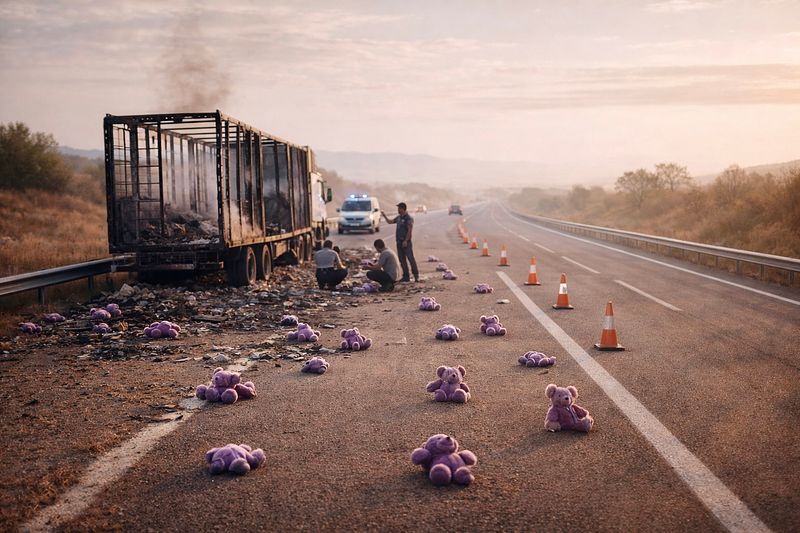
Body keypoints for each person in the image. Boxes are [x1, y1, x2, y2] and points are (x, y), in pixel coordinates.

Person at [381, 202, 419, 282]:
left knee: (410, 259)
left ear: (403, 209)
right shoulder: (398, 218)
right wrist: (384, 216)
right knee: (402, 260)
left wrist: (406, 240)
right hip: (399, 242)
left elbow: (409, 230)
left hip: (406, 243)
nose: (398, 210)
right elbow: (390, 222)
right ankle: (406, 276)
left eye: (399, 208)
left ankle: (416, 275)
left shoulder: (408, 218)